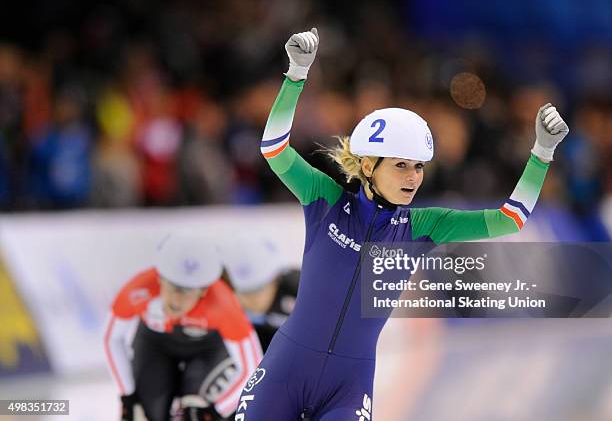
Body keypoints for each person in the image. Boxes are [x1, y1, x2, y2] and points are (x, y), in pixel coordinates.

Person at [234, 28, 569, 420]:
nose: (413, 177)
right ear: (367, 165)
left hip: (348, 385)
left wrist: (541, 154)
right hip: (286, 371)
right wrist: (296, 74)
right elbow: (273, 148)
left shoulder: (425, 225)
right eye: (401, 165)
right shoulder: (323, 198)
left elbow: (509, 220)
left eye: (419, 167)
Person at [104, 234, 262, 421]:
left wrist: (216, 409)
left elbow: (255, 368)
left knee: (194, 413)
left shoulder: (222, 303)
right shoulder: (139, 289)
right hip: (154, 346)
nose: (176, 299)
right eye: (172, 286)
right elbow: (111, 339)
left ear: (204, 290)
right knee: (146, 414)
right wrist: (128, 396)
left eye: (187, 290)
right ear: (159, 278)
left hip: (207, 351)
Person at [220, 236, 299, 351]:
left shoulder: (301, 290)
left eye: (256, 290)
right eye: (244, 291)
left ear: (275, 279)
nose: (251, 301)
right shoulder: (224, 295)